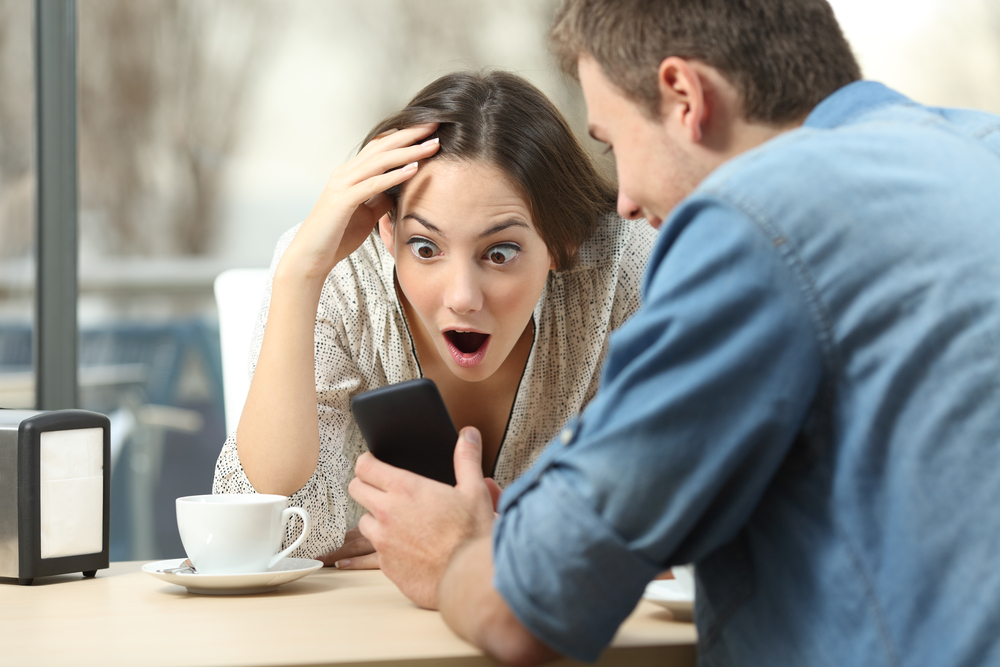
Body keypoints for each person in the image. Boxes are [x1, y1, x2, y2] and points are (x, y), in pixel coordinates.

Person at [347, 0, 1000, 665]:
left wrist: (455, 551)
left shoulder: (753, 217)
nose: (623, 199)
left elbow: (531, 606)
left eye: (612, 140)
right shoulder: (982, 150)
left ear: (684, 97)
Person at [212, 70, 657, 568]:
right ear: (386, 230)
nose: (463, 297)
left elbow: (676, 505)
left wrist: (480, 541)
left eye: (501, 252)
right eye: (425, 247)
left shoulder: (626, 266)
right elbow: (261, 534)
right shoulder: (336, 273)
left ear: (560, 242)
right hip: (361, 618)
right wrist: (297, 277)